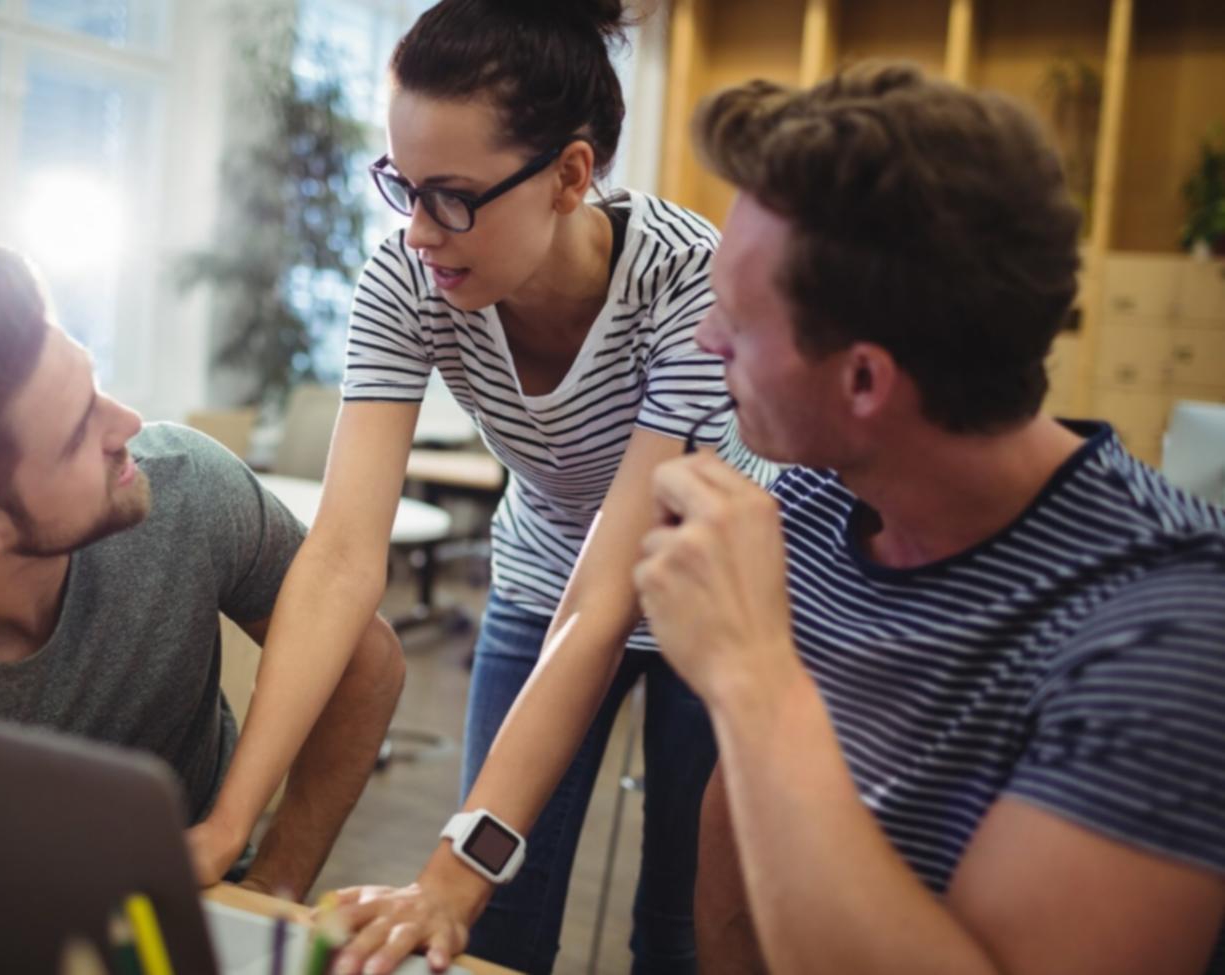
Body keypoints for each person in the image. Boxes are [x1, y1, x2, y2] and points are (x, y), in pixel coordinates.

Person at [631, 63, 1225, 974]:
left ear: (864, 378)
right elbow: (738, 867)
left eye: (738, 321)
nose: (707, 339)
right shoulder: (807, 514)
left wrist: (753, 679)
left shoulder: (1168, 632)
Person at [244, 0, 774, 971]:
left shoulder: (685, 281)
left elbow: (607, 596)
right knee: (497, 925)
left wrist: (450, 872)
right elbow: (342, 557)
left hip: (711, 593)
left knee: (680, 931)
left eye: (451, 197)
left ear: (569, 175)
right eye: (402, 188)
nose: (417, 232)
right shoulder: (409, 278)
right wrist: (231, 825)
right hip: (543, 575)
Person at [0, 246, 405, 900]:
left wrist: (271, 887)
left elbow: (365, 664)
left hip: (189, 909)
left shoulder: (187, 487)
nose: (128, 423)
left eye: (94, 385)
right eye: (76, 431)